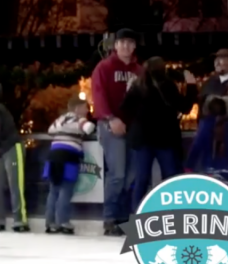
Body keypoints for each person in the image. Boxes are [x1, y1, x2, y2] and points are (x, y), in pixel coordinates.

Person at [119, 58, 191, 211]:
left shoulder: (138, 86)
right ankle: (171, 212)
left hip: (142, 137)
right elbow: (184, 107)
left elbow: (125, 108)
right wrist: (191, 86)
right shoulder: (167, 85)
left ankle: (137, 214)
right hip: (164, 137)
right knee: (170, 177)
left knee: (141, 179)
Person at [90, 28, 142, 237]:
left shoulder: (140, 70)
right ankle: (110, 218)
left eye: (130, 42)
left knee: (131, 175)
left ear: (134, 46)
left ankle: (121, 217)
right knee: (118, 174)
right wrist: (110, 118)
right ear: (115, 45)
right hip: (111, 126)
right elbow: (98, 95)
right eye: (122, 43)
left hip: (133, 128)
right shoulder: (104, 68)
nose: (126, 46)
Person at [44, 99, 95, 234]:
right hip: (69, 157)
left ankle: (50, 223)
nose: (87, 111)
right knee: (66, 190)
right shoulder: (79, 119)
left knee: (53, 190)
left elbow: (50, 130)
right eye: (85, 108)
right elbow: (89, 128)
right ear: (77, 108)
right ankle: (63, 222)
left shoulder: (59, 120)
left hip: (53, 156)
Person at [0, 83, 27, 233]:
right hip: (3, 148)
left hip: (8, 147)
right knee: (11, 183)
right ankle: (17, 219)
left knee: (3, 183)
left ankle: (2, 217)